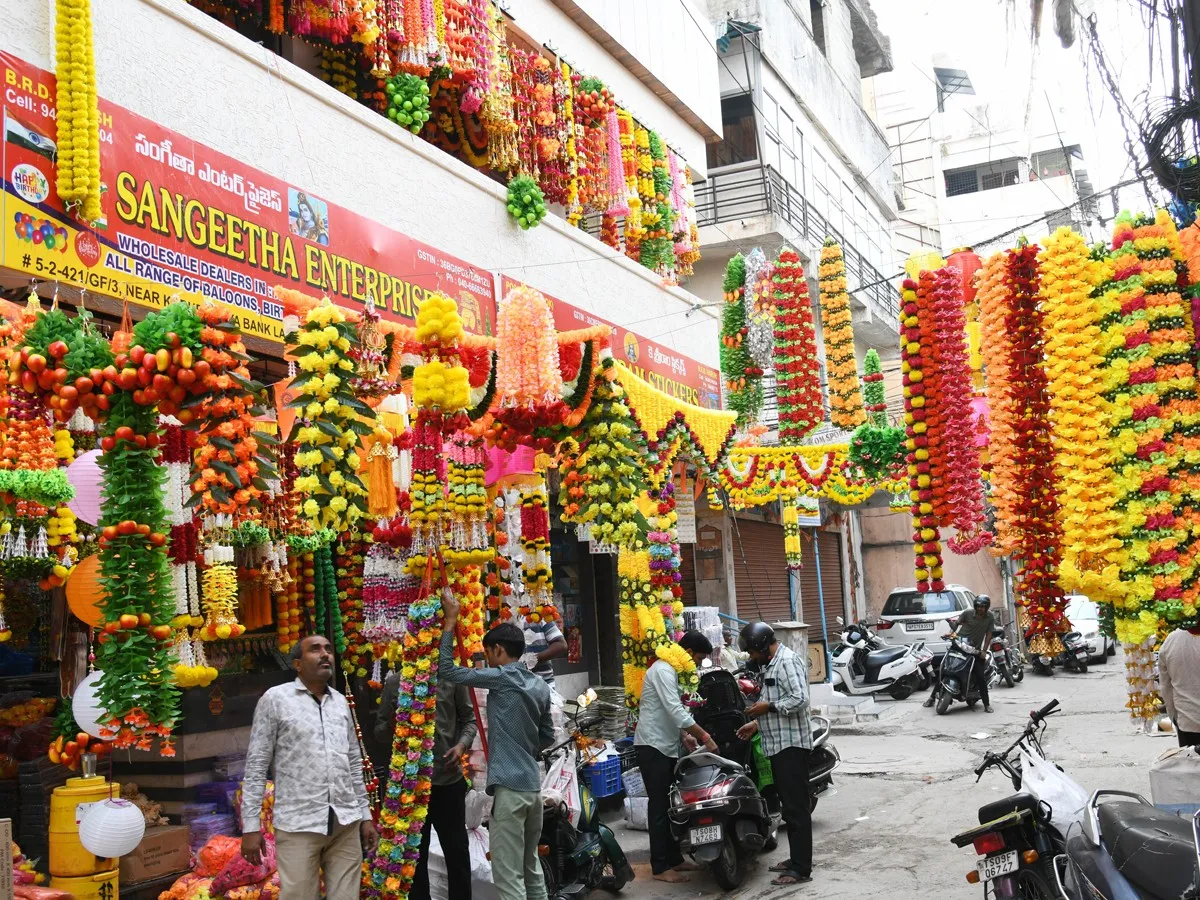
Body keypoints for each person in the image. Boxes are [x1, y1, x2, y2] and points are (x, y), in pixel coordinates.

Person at [241, 635, 378, 900]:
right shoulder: (276, 700)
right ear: (297, 664)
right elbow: (257, 765)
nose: (325, 654)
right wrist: (250, 826)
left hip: (345, 823)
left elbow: (353, 761)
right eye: (315, 650)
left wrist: (365, 816)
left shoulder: (340, 703)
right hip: (298, 824)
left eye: (328, 649)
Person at [440, 590, 554, 900]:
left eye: (488, 653)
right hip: (532, 789)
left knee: (508, 875)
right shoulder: (540, 685)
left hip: (511, 792)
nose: (487, 660)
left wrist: (450, 623)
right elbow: (548, 738)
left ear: (499, 650)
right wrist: (521, 743)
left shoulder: (503, 677)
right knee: (530, 867)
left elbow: (448, 671)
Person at [376, 671, 477, 900]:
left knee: (457, 851)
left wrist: (461, 746)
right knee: (414, 855)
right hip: (410, 785)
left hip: (448, 781)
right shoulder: (395, 682)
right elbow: (379, 731)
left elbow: (469, 720)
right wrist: (393, 724)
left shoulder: (453, 678)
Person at [633, 631, 720, 884]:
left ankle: (675, 859)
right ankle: (660, 867)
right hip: (653, 746)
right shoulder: (662, 670)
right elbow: (674, 710)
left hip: (667, 745)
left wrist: (684, 736)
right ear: (689, 653)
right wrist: (705, 737)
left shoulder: (670, 671)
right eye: (698, 659)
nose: (695, 664)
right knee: (659, 807)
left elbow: (673, 711)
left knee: (672, 806)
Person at [735, 622, 813, 888]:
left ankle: (801, 868)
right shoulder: (772, 663)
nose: (753, 658)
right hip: (779, 745)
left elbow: (800, 699)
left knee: (797, 809)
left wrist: (767, 707)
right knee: (789, 809)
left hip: (791, 746)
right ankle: (795, 859)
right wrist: (756, 723)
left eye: (753, 652)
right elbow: (778, 701)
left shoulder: (787, 662)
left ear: (761, 645)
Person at [924, 594, 997, 713]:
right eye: (978, 606)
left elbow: (988, 635)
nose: (980, 609)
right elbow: (956, 624)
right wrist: (950, 633)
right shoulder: (967, 613)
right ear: (975, 606)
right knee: (944, 669)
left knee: (980, 676)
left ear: (987, 607)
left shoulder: (990, 617)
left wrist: (984, 651)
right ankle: (932, 698)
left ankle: (986, 704)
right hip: (959, 644)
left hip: (974, 650)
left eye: (983, 607)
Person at [1158, 625, 1200, 747]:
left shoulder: (1171, 640)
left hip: (1187, 719)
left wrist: (1174, 716)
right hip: (1186, 718)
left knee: (1191, 764)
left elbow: (1165, 686)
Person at [521, 617, 568, 687]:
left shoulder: (539, 616)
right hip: (513, 686)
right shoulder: (502, 618)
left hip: (543, 684)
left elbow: (561, 645)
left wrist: (534, 659)